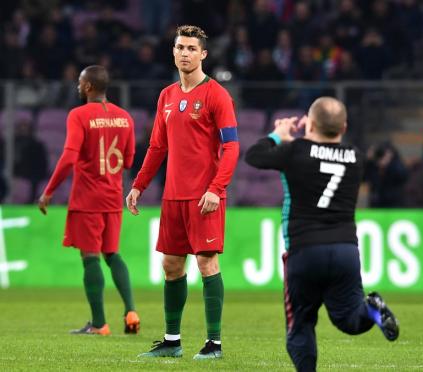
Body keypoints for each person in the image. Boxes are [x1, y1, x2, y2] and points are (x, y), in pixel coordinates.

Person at [245, 97, 399, 372]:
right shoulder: (355, 157)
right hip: (345, 251)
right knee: (350, 319)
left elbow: (255, 156)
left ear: (311, 123)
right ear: (344, 126)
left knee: (301, 324)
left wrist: (277, 135)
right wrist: (312, 133)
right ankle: (373, 309)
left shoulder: (295, 151)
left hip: (305, 250)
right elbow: (324, 153)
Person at [126, 25, 240, 360]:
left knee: (206, 263)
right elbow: (157, 147)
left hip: (204, 196)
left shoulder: (217, 95)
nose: (185, 53)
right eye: (180, 47)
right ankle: (172, 341)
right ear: (173, 52)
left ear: (203, 54)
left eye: (192, 48)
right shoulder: (166, 96)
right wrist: (138, 185)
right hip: (173, 197)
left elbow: (231, 147)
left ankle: (214, 344)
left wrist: (216, 189)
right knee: (172, 266)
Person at [37, 65, 139, 336]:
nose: (78, 86)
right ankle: (131, 310)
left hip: (87, 199)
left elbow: (69, 156)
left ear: (89, 87)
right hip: (113, 198)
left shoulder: (79, 115)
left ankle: (98, 324)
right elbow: (128, 160)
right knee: (113, 254)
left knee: (90, 257)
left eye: (81, 83)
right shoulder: (125, 117)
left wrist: (48, 191)